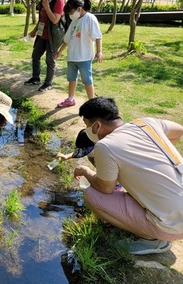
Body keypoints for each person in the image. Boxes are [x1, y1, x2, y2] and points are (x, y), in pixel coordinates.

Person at [74, 97, 183, 255]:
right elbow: (179, 130)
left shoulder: (106, 146)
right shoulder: (146, 123)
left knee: (92, 195)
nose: (87, 130)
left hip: (174, 225)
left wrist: (84, 171)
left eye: (86, 125)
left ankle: (153, 239)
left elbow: (105, 188)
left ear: (97, 126)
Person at [55, 0, 103, 108]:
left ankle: (92, 104)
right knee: (71, 79)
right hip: (72, 56)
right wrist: (60, 51)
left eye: (71, 12)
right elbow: (67, 40)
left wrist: (99, 51)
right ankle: (70, 99)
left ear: (79, 9)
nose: (70, 15)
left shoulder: (90, 18)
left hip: (84, 57)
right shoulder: (74, 21)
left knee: (87, 80)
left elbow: (98, 36)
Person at [24, 0, 65, 92]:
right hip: (42, 33)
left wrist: (47, 7)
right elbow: (42, 18)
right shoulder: (44, 0)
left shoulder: (59, 0)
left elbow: (55, 20)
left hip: (53, 35)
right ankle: (35, 78)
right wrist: (35, 30)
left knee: (50, 60)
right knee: (35, 55)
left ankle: (48, 83)